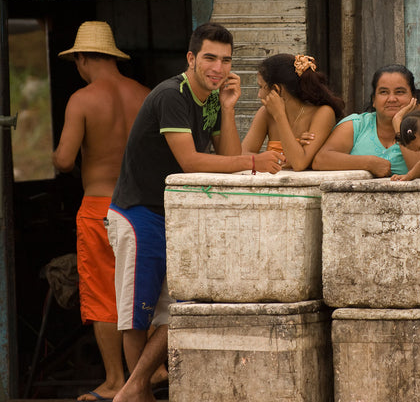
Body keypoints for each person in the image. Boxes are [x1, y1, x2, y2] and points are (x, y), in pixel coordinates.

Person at [107, 22, 284, 402]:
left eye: (225, 60)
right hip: (140, 213)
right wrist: (254, 160)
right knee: (137, 315)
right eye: (209, 58)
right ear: (191, 58)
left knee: (184, 305)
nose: (218, 68)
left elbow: (225, 158)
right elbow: (190, 162)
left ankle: (133, 388)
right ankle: (136, 392)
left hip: (175, 215)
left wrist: (228, 108)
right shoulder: (173, 94)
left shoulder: (210, 99)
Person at [52, 21, 150, 402]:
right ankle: (148, 370)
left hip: (99, 208)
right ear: (113, 56)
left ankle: (114, 382)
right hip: (140, 208)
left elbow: (63, 160)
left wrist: (56, 156)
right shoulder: (144, 95)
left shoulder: (82, 99)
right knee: (142, 291)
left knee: (105, 296)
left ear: (80, 59)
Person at [312, 64, 420, 177]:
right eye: (383, 92)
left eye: (400, 92)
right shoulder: (356, 125)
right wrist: (368, 163)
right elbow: (320, 160)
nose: (392, 99)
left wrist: (398, 124)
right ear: (374, 99)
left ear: (413, 97)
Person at [241, 53, 344, 170]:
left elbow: (299, 163)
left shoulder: (323, 113)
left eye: (261, 87)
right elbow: (242, 155)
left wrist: (280, 116)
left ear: (276, 90)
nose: (259, 95)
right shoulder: (265, 113)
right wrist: (290, 156)